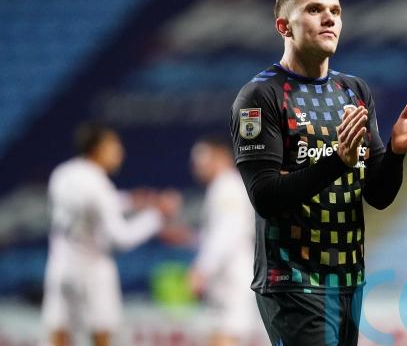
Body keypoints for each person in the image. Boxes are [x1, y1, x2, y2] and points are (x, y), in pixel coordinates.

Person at [230, 0, 407, 346]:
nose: (329, 18)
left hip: (347, 280)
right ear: (284, 26)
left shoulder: (353, 91)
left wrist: (395, 153)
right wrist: (337, 161)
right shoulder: (260, 96)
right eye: (314, 9)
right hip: (293, 280)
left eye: (335, 11)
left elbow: (378, 195)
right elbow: (265, 196)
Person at [42, 123, 181, 346]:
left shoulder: (62, 173)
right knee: (102, 334)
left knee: (59, 331)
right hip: (92, 270)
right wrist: (157, 216)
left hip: (61, 266)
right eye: (113, 146)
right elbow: (121, 238)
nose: (120, 152)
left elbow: (91, 204)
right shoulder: (98, 183)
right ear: (97, 149)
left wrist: (133, 201)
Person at [188, 136, 262, 346]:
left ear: (221, 156)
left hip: (233, 275)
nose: (198, 165)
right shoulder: (222, 186)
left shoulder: (228, 186)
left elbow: (228, 232)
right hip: (225, 277)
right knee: (220, 335)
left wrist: (202, 269)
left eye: (203, 157)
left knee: (227, 336)